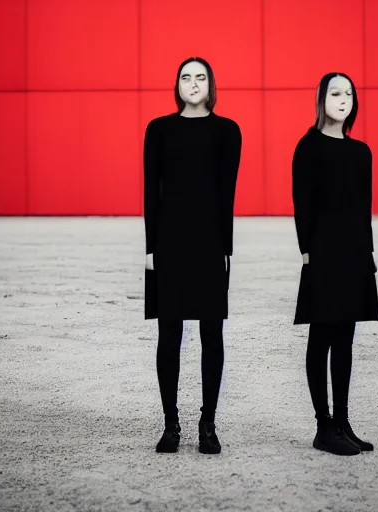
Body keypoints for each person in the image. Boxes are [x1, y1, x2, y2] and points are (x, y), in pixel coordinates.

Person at [143, 57, 242, 454]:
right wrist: (149, 249)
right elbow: (152, 192)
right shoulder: (159, 130)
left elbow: (227, 196)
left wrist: (226, 250)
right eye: (186, 77)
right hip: (168, 245)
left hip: (209, 245)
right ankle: (170, 424)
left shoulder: (227, 131)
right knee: (169, 335)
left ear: (211, 84)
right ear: (177, 85)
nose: (193, 83)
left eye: (201, 77)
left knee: (211, 334)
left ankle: (208, 423)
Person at [292, 72, 378, 456]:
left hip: (355, 254)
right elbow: (302, 203)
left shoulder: (361, 152)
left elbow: (365, 210)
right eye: (334, 92)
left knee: (345, 339)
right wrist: (307, 253)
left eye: (348, 93)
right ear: (321, 99)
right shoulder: (308, 147)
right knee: (322, 337)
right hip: (323, 253)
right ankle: (323, 426)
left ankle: (342, 423)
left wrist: (369, 255)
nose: (342, 99)